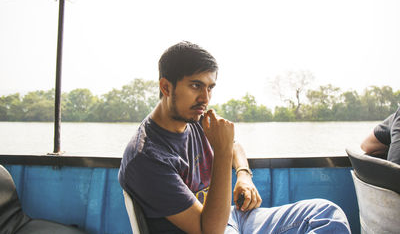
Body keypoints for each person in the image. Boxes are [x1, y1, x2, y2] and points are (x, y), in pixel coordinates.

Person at [118, 41, 351, 234]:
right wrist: (221, 151)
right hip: (210, 227)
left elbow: (233, 145)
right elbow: (210, 231)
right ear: (166, 87)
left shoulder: (194, 118)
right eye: (196, 85)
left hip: (229, 218)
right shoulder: (147, 157)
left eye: (210, 87)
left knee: (328, 215)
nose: (205, 98)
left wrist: (243, 175)